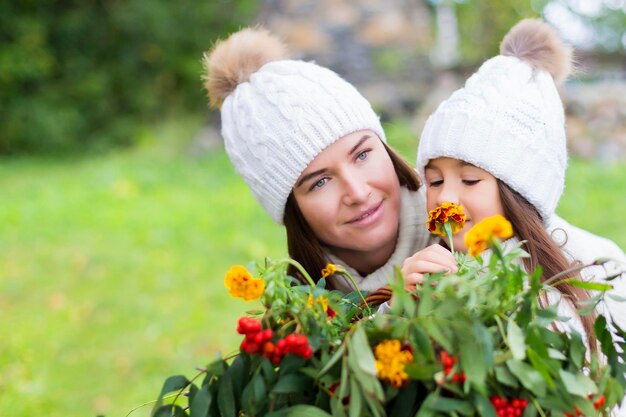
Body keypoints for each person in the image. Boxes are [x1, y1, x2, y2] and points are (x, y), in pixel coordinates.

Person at [411, 18, 625, 348]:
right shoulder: (430, 266)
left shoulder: (579, 280)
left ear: (522, 191)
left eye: (470, 179)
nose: (445, 197)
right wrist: (401, 302)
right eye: (435, 180)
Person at [203, 27, 436, 293]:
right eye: (321, 182)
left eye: (362, 155)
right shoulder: (302, 318)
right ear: (293, 210)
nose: (358, 193)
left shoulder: (471, 231)